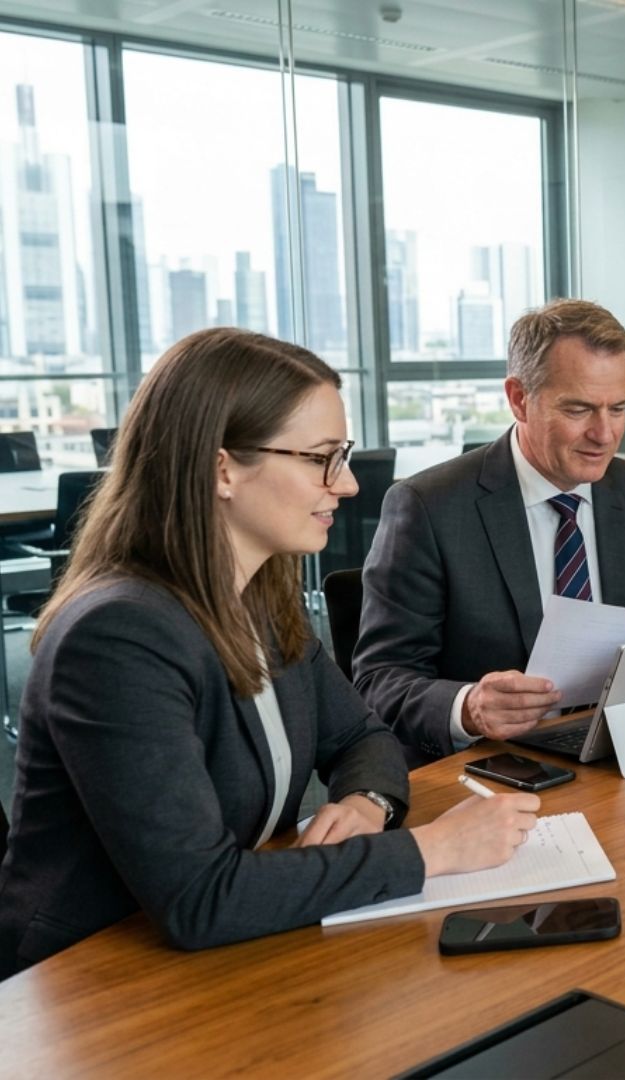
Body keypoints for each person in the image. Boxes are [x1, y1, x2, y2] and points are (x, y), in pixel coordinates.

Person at [0, 328, 536, 976]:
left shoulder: (259, 595)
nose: (346, 487)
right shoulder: (117, 637)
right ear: (221, 469)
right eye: (320, 458)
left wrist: (367, 801)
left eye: (342, 455)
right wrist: (432, 852)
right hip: (90, 987)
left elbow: (365, 737)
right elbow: (200, 897)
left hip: (228, 951)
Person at [355, 299, 625, 763]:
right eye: (579, 409)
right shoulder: (430, 507)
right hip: (495, 767)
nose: (604, 434)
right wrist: (470, 707)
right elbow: (380, 679)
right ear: (519, 399)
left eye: (618, 408)